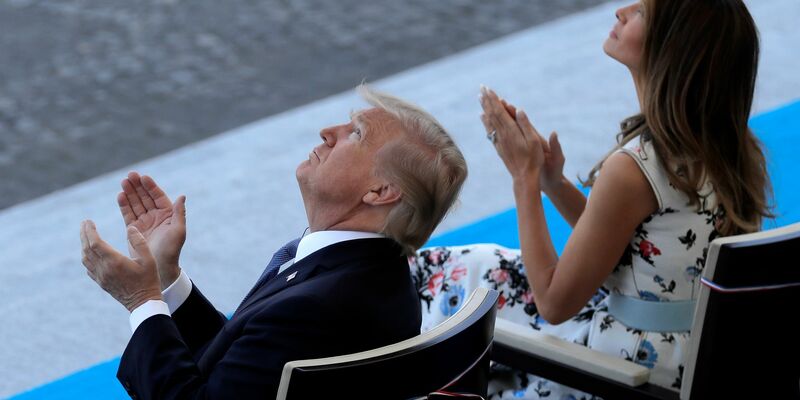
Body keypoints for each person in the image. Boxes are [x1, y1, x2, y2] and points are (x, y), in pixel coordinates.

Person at [411, 0, 772, 397]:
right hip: (694, 355)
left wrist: (524, 178)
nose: (621, 10)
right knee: (485, 265)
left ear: (673, 49)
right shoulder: (732, 149)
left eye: (641, 13)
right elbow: (636, 245)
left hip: (626, 375)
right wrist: (554, 183)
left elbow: (553, 302)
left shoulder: (637, 166)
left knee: (465, 287)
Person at [79, 85, 467, 399]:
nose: (328, 132)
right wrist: (167, 278)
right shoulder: (362, 272)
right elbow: (246, 365)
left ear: (381, 190)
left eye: (356, 133)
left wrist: (142, 302)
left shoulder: (319, 306)